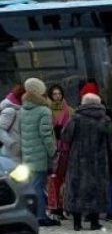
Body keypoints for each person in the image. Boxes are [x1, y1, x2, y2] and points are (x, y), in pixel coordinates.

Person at [61, 92, 112, 231]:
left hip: (78, 159)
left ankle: (77, 223)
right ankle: (94, 222)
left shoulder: (76, 117)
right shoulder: (105, 119)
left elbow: (65, 136)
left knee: (77, 188)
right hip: (98, 160)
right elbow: (111, 138)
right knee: (96, 188)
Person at [18, 77, 58, 227]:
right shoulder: (43, 110)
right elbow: (46, 135)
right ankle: (41, 216)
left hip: (28, 155)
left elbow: (21, 132)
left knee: (33, 186)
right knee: (39, 187)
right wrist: (54, 152)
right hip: (40, 155)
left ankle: (34, 214)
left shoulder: (23, 109)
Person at [79, 81, 112, 220]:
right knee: (108, 182)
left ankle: (91, 212)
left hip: (87, 155)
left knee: (89, 184)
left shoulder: (79, 115)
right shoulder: (106, 114)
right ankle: (111, 210)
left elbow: (68, 134)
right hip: (107, 153)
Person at [46, 84, 73, 220]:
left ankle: (66, 205)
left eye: (59, 94)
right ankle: (56, 207)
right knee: (54, 179)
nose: (57, 96)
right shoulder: (46, 110)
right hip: (54, 149)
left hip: (67, 148)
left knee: (66, 179)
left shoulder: (69, 110)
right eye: (54, 94)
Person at [0, 83, 25, 161]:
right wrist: (12, 145)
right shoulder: (10, 110)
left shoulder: (20, 109)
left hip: (19, 153)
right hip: (10, 155)